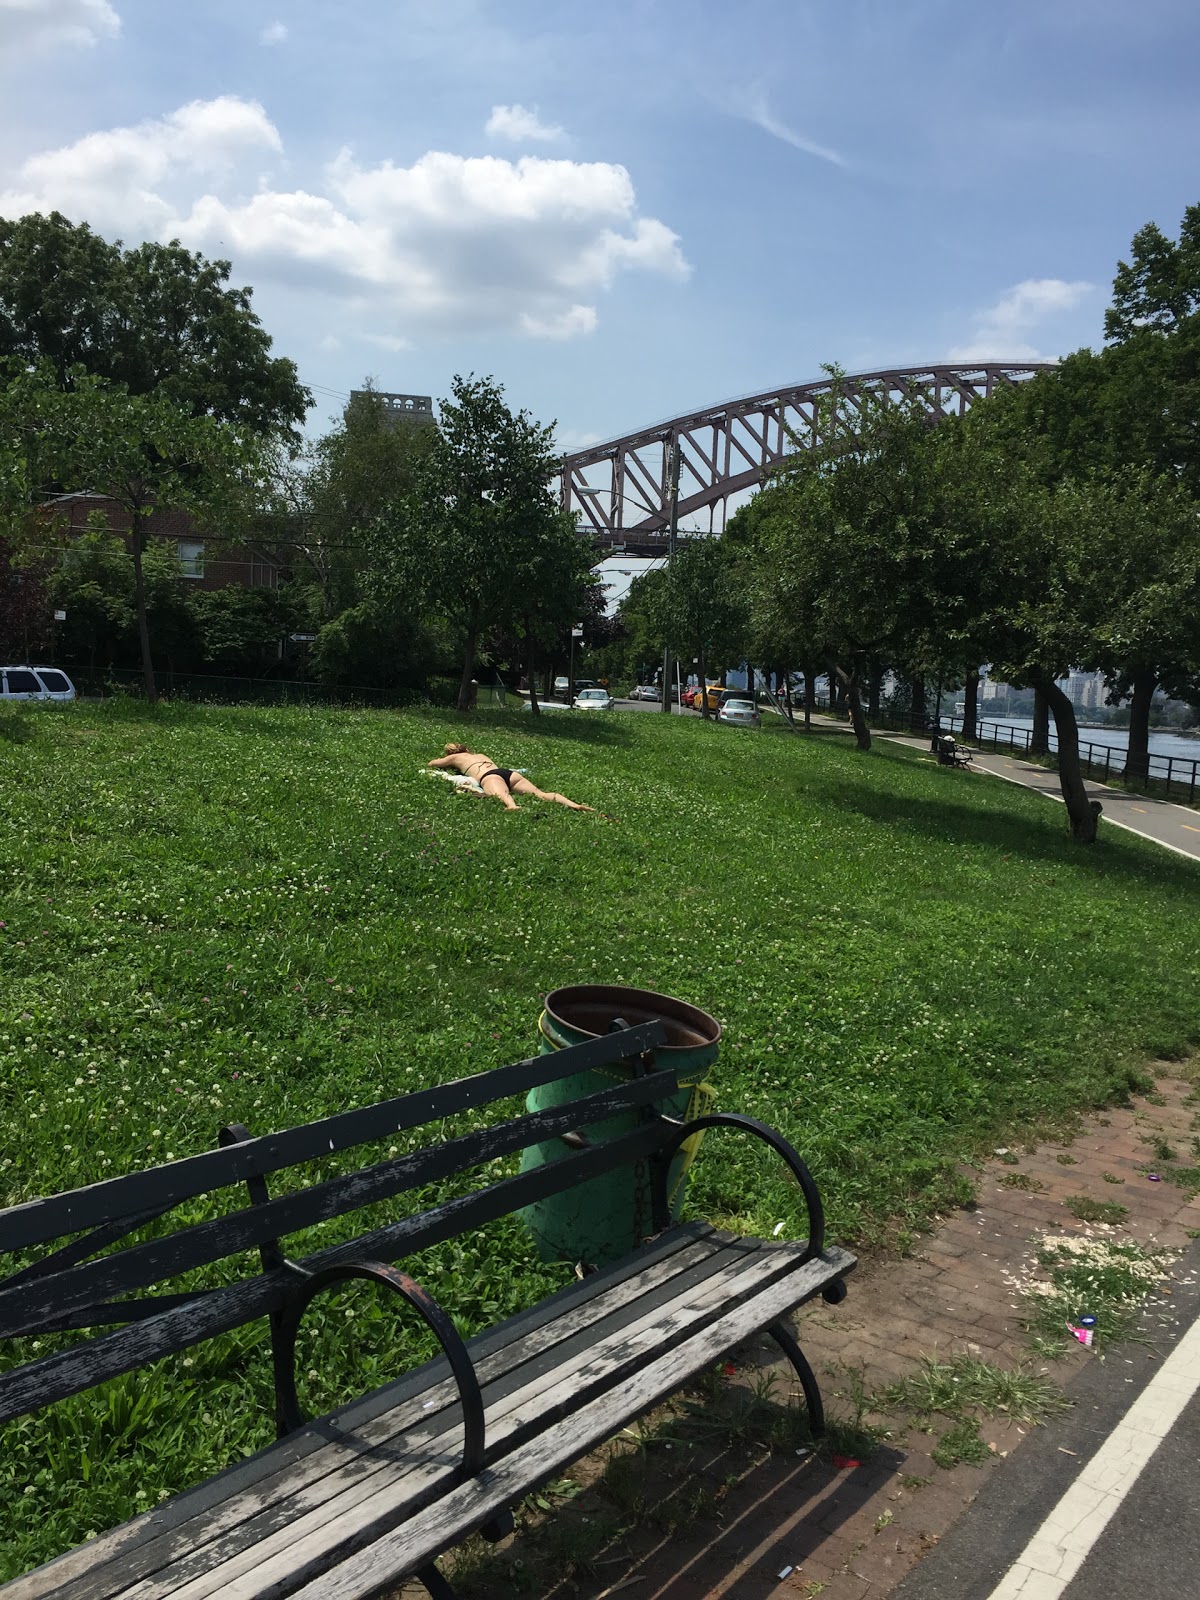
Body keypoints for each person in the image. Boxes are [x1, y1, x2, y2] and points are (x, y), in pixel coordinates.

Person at [428, 744, 595, 813]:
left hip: (490, 777)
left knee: (500, 795)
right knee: (541, 793)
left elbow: (433, 764)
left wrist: (449, 761)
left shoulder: (455, 758)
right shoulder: (479, 754)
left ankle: (512, 806)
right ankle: (575, 805)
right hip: (507, 773)